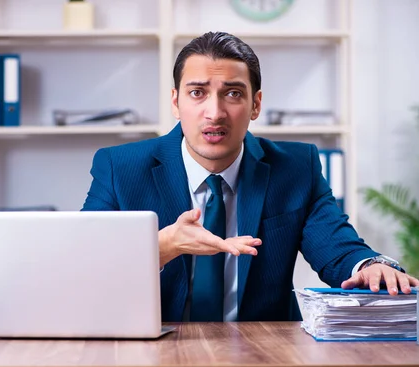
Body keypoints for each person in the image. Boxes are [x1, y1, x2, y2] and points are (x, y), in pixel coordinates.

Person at [81, 31, 419, 322]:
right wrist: (161, 247)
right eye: (197, 93)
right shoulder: (120, 168)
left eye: (233, 93)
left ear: (255, 104)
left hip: (263, 355)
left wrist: (370, 266)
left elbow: (338, 248)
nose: (214, 113)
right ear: (175, 102)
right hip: (155, 354)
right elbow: (85, 267)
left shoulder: (296, 168)